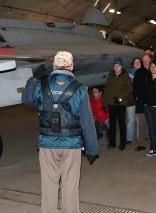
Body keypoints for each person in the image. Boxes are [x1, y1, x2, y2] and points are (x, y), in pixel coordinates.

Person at [21, 51, 99, 213]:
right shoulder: (80, 89)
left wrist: (33, 79)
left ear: (54, 65)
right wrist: (92, 148)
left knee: (49, 185)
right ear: (71, 66)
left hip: (47, 144)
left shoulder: (41, 85)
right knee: (70, 185)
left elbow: (27, 99)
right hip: (71, 145)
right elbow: (87, 122)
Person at [102, 57, 133, 151]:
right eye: (115, 66)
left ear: (121, 66)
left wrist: (120, 96)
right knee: (112, 124)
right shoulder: (111, 75)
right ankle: (112, 142)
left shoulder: (125, 75)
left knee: (121, 123)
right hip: (111, 103)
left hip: (120, 103)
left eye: (118, 66)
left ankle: (123, 142)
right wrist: (104, 103)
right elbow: (107, 89)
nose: (116, 68)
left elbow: (129, 88)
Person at [133, 53, 154, 151]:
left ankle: (154, 143)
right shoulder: (139, 72)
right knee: (141, 124)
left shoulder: (155, 70)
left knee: (154, 124)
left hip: (153, 102)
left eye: (147, 60)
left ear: (151, 60)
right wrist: (136, 97)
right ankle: (141, 143)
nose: (145, 62)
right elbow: (135, 86)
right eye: (144, 60)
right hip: (141, 101)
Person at [126, 57, 142, 145]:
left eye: (139, 62)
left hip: (140, 100)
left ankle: (140, 138)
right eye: (135, 62)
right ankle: (129, 138)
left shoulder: (145, 73)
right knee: (130, 120)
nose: (137, 63)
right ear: (132, 64)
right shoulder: (129, 75)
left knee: (140, 120)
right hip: (131, 100)